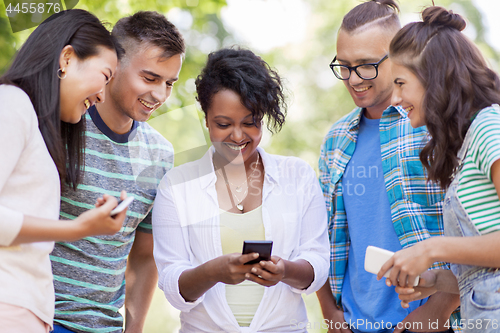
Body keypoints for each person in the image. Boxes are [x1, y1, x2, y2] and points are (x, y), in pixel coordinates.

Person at [152, 47, 329, 332]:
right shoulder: (176, 185)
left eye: (250, 123)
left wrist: (285, 271)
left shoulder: (298, 177)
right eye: (224, 124)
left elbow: (318, 262)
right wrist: (213, 272)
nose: (237, 136)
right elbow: (172, 283)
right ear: (206, 118)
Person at [316, 1, 461, 332]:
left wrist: (437, 311)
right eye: (344, 66)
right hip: (353, 324)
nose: (353, 79)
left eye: (366, 65)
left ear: (396, 57)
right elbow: (320, 233)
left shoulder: (434, 127)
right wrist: (330, 314)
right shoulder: (336, 139)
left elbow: (477, 230)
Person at [49, 11, 185, 333]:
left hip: (108, 327)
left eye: (169, 83)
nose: (160, 95)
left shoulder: (161, 155)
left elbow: (144, 253)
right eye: (150, 78)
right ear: (114, 63)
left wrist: (134, 328)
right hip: (42, 319)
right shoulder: (62, 123)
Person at [0, 9, 127, 333]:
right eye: (105, 75)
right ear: (67, 58)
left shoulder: (39, 129)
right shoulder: (12, 103)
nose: (101, 95)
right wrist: (77, 229)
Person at [378, 6, 500, 332]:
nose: (396, 98)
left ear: (434, 76)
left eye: (401, 83)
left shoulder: (491, 129)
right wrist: (434, 281)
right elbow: (487, 268)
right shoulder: (467, 144)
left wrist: (431, 248)